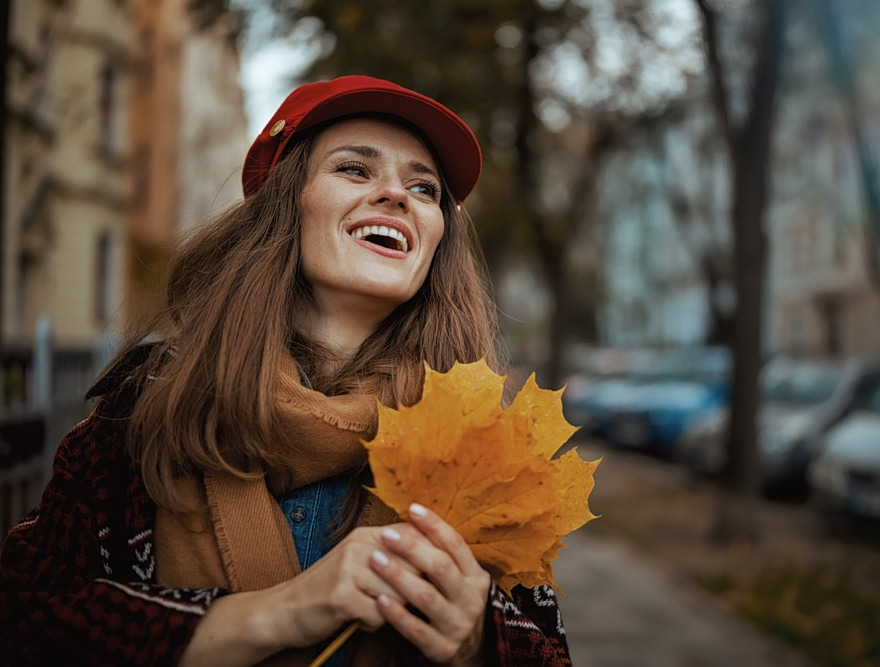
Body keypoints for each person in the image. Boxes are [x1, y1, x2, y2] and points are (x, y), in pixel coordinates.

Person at [0, 76, 572, 666]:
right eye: (354, 169)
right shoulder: (145, 408)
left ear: (437, 239)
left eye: (423, 188)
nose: (396, 195)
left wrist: (479, 640)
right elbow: (25, 617)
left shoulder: (483, 444)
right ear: (285, 203)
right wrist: (279, 612)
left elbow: (548, 651)